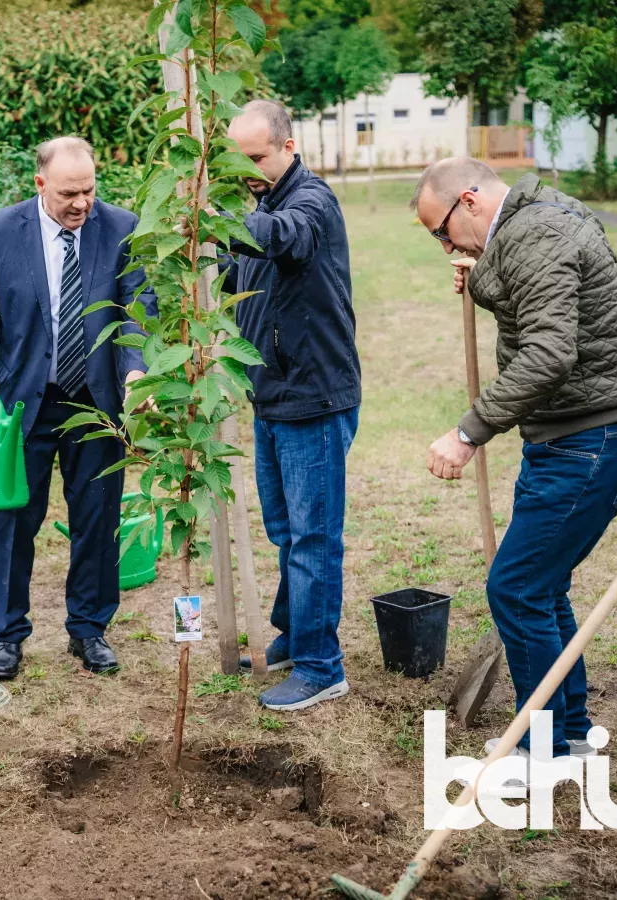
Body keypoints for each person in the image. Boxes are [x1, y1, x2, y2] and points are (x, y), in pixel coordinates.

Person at [410, 158, 617, 764]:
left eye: (442, 232)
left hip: (593, 439)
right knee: (543, 587)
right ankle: (568, 732)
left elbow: (550, 353)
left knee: (517, 587)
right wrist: (485, 277)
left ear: (468, 201)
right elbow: (536, 302)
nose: (445, 247)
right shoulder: (531, 227)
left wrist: (468, 433)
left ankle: (540, 750)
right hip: (575, 434)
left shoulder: (535, 234)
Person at [0, 136, 153, 680]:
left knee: (98, 519)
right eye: (69, 193)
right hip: (24, 404)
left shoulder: (121, 227)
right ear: (40, 185)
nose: (82, 203)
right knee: (15, 521)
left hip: (98, 403)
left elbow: (136, 307)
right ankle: (7, 635)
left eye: (89, 190)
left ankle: (89, 630)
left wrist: (134, 367)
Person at [224, 99, 362, 712]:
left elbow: (286, 239)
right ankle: (295, 633)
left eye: (255, 157)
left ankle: (320, 666)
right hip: (272, 395)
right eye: (238, 160)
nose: (247, 169)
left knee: (312, 538)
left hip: (315, 397)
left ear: (288, 147)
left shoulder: (309, 202)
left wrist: (214, 218)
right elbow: (243, 270)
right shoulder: (263, 205)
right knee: (285, 531)